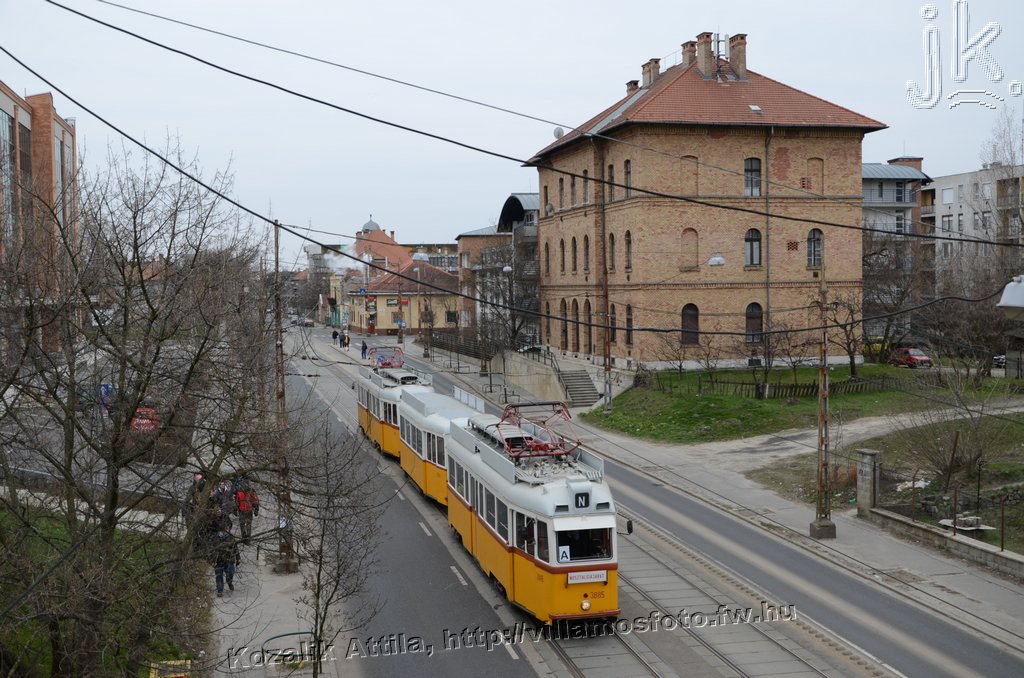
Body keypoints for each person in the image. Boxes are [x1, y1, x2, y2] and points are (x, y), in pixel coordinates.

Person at [208, 524, 240, 597]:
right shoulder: (214, 538)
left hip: (229, 559)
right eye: (226, 528)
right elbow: (210, 550)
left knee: (230, 572)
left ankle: (229, 582)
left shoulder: (231, 537)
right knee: (219, 576)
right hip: (218, 560)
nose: (228, 530)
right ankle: (220, 590)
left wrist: (238, 558)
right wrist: (211, 559)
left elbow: (235, 548)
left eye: (228, 528)